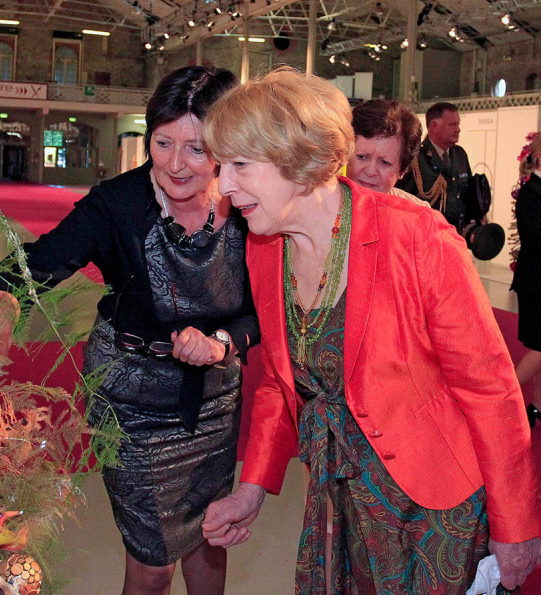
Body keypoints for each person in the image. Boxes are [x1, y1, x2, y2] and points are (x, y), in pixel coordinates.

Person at [200, 66, 541, 594]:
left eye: (240, 165)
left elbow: (491, 389)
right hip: (337, 500)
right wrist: (252, 489)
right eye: (222, 166)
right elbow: (279, 382)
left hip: (434, 505)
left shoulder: (417, 238)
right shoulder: (265, 246)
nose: (222, 186)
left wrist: (517, 527)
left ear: (300, 158)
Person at [0, 66, 259, 595]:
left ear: (226, 145)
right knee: (152, 564)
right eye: (163, 143)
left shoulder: (247, 206)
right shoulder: (117, 205)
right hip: (130, 401)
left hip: (213, 402)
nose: (177, 165)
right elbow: (29, 268)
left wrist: (222, 343)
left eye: (197, 149)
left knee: (209, 538)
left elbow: (259, 312)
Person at [397, 101, 472, 228]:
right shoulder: (416, 158)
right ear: (434, 126)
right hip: (427, 233)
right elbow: (401, 200)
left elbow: (468, 193)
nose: (458, 129)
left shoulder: (460, 155)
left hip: (456, 235)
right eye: (452, 124)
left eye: (458, 124)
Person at [346, 98, 427, 205]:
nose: (370, 171)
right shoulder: (320, 204)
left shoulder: (419, 215)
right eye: (362, 157)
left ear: (402, 171)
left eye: (385, 162)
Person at [512, 132, 541, 425]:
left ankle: (536, 408)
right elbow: (535, 239)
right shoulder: (532, 193)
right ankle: (503, 393)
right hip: (535, 281)